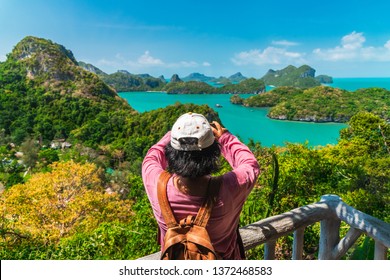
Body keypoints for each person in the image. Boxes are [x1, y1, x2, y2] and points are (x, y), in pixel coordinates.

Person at [142, 112, 260, 259]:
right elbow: (250, 164)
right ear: (214, 153)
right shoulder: (230, 187)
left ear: (171, 153)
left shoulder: (156, 183)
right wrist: (225, 138)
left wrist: (174, 133)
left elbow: (153, 155)